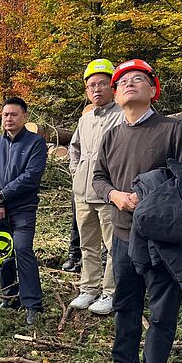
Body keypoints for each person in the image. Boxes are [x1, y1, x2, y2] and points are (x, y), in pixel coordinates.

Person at [93, 59, 182, 363]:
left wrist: (150, 194)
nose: (129, 83)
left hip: (163, 239)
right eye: (122, 81)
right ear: (116, 94)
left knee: (161, 310)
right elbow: (99, 178)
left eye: (138, 79)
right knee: (125, 303)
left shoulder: (173, 129)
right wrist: (115, 196)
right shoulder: (112, 135)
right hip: (123, 234)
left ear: (153, 89)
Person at [0, 97, 47, 326]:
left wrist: (4, 195)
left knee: (21, 249)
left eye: (13, 114)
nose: (8, 119)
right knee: (2, 250)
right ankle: (10, 296)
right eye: (5, 115)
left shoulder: (35, 143)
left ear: (24, 117)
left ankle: (32, 304)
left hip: (23, 208)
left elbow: (31, 176)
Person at [68, 59, 124, 315]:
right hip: (82, 193)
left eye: (102, 83)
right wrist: (76, 171)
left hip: (108, 194)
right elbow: (75, 148)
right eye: (92, 85)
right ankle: (88, 288)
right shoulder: (86, 119)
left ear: (113, 87)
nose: (97, 89)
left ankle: (110, 292)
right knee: (87, 244)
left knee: (113, 246)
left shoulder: (122, 115)